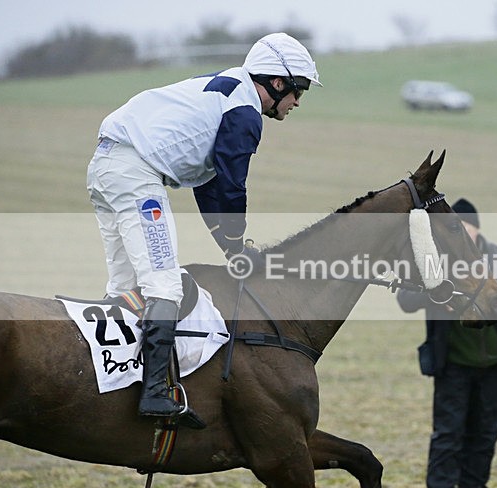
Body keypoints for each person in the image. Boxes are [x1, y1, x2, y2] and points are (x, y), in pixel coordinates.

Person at [86, 32, 321, 424]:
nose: (297, 102)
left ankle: (117, 385)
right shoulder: (245, 112)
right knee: (163, 285)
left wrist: (232, 248)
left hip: (106, 165)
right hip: (134, 174)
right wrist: (236, 242)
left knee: (124, 288)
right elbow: (231, 185)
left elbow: (209, 186)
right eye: (299, 91)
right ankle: (156, 392)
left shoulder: (228, 89)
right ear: (278, 83)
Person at [397, 198, 497, 488]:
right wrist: (436, 289)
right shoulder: (434, 263)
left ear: (476, 228)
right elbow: (406, 299)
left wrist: (485, 305)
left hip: (495, 363)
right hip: (453, 363)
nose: (460, 238)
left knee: (485, 434)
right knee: (448, 433)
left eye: (464, 229)